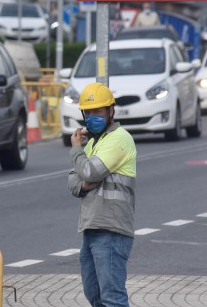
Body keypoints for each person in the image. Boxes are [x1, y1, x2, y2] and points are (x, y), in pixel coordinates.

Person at [67, 82, 137, 307]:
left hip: (112, 229)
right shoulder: (93, 144)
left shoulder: (119, 138)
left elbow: (90, 171)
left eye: (98, 111)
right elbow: (72, 180)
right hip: (92, 228)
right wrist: (85, 184)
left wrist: (77, 149)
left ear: (111, 111)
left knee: (112, 298)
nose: (92, 116)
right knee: (95, 296)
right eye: (88, 112)